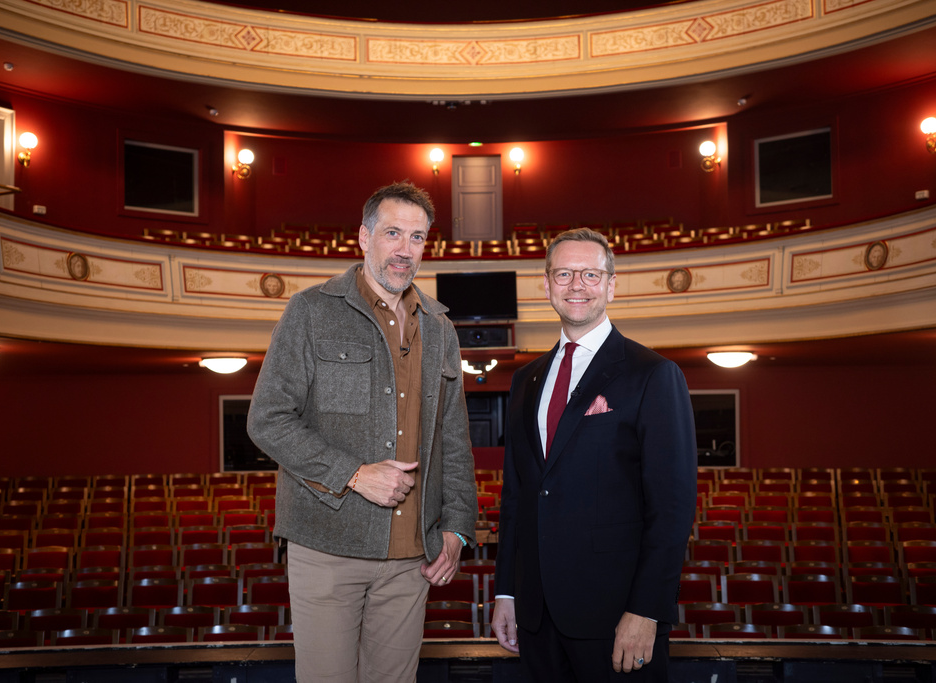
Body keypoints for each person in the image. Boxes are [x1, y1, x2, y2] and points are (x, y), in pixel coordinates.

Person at [247, 181, 478, 683]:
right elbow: (267, 419)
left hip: (412, 558)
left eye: (417, 237)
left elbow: (454, 439)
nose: (405, 249)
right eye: (393, 233)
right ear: (364, 237)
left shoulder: (440, 326)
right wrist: (354, 474)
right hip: (326, 547)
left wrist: (458, 528)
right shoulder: (310, 311)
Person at [491, 228, 697, 682]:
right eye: (564, 274)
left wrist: (647, 609)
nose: (576, 285)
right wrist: (506, 593)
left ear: (611, 284)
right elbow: (517, 497)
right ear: (547, 285)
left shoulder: (653, 374)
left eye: (590, 274)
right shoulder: (526, 379)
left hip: (617, 615)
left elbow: (672, 506)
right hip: (536, 616)